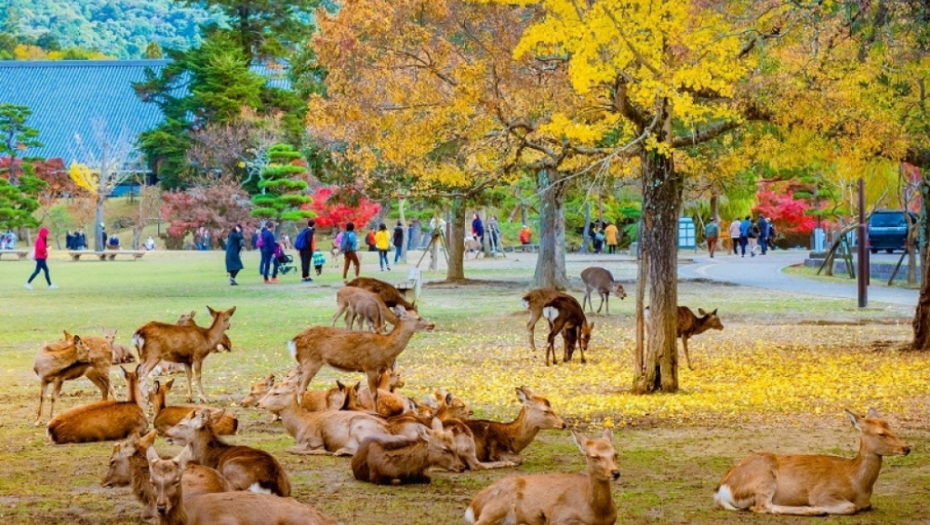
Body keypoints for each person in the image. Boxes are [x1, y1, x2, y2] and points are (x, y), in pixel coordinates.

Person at [295, 219, 316, 283]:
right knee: (307, 263)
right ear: (313, 224)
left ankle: (305, 276)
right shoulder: (310, 232)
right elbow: (309, 240)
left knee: (303, 262)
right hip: (307, 249)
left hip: (302, 249)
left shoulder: (304, 230)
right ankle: (305, 277)